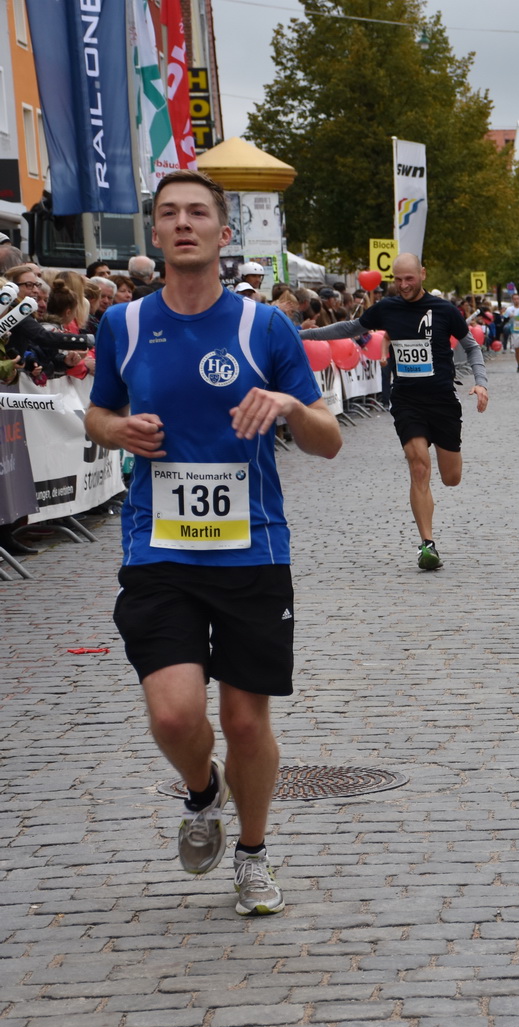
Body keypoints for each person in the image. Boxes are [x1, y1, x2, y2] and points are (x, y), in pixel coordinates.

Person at [81, 169, 343, 917]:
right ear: (155, 233)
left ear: (224, 236)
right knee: (172, 713)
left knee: (243, 720)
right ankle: (203, 793)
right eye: (171, 214)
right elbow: (97, 415)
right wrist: (118, 430)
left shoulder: (265, 328)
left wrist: (290, 402)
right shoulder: (123, 326)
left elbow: (326, 440)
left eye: (200, 213)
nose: (185, 223)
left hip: (251, 548)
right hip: (157, 545)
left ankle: (254, 856)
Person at [299, 253, 489, 570]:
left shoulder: (444, 310)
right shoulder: (387, 308)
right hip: (406, 400)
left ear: (422, 274)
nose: (402, 285)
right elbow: (349, 327)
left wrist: (481, 383)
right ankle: (427, 546)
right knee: (418, 466)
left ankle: (437, 502)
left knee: (451, 478)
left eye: (409, 279)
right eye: (397, 279)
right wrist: (301, 334)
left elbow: (471, 346)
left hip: (442, 400)